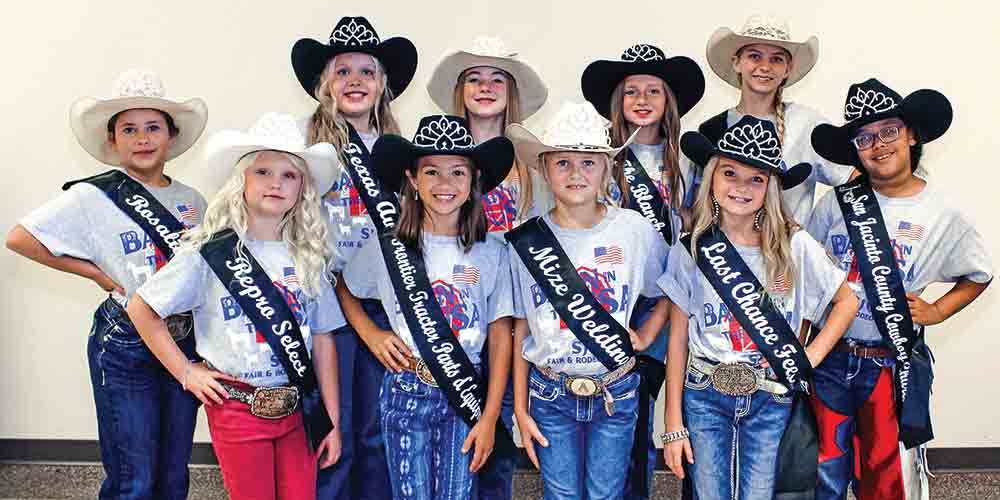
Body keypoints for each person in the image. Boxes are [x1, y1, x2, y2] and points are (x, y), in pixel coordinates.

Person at [6, 69, 208, 500]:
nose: (142, 138)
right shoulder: (92, 196)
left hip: (181, 339)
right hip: (125, 342)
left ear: (171, 136)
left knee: (174, 473)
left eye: (153, 127)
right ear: (112, 141)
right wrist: (96, 274)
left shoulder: (193, 200)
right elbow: (20, 238)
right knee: (133, 475)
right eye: (128, 130)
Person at [127, 112, 346, 499]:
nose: (276, 183)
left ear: (302, 190)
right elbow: (141, 309)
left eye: (289, 175)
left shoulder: (308, 256)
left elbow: (325, 338)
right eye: (263, 171)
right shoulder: (208, 252)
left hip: (300, 408)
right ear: (240, 181)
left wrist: (333, 419)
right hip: (237, 409)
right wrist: (186, 373)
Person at [807, 78, 993, 500]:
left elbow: (979, 273)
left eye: (889, 131)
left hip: (888, 366)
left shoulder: (941, 210)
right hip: (830, 359)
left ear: (911, 135)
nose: (879, 144)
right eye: (865, 137)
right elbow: (806, 275)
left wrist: (939, 310)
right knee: (822, 469)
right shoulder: (835, 203)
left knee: (886, 475)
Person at [660, 115, 859, 500]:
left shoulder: (793, 244)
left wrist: (808, 358)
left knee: (760, 493)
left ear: (770, 188)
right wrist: (672, 424)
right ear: (712, 178)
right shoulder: (691, 249)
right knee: (709, 493)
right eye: (730, 173)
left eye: (757, 178)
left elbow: (846, 301)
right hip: (704, 390)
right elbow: (678, 340)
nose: (741, 187)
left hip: (771, 392)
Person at [342, 114, 516, 499]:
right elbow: (343, 285)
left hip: (466, 389)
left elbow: (502, 335)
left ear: (473, 183)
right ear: (412, 180)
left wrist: (489, 416)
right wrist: (372, 334)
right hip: (406, 387)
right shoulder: (389, 246)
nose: (445, 184)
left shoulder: (493, 250)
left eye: (457, 172)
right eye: (432, 172)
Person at [506, 101, 670, 500]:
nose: (576, 173)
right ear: (544, 169)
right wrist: (521, 406)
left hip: (616, 392)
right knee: (560, 494)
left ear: (607, 169)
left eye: (588, 162)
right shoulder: (525, 241)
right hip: (549, 392)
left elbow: (671, 288)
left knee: (606, 494)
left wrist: (647, 334)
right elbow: (520, 327)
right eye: (562, 163)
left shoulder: (635, 230)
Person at [291, 16, 418, 499]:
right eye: (343, 71)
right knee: (333, 431)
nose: (355, 81)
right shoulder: (308, 150)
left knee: (378, 429)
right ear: (325, 85)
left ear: (384, 85)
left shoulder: (403, 154)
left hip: (387, 303)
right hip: (326, 305)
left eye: (367, 71)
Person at [426, 34, 549, 499]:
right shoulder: (435, 162)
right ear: (459, 90)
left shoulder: (531, 165)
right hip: (451, 310)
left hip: (512, 312)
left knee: (496, 426)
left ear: (511, 92)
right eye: (473, 78)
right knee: (444, 427)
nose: (485, 87)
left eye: (497, 78)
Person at [581, 43, 705, 499]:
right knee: (625, 419)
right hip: (616, 302)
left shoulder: (689, 160)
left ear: (669, 101)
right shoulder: (599, 157)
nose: (642, 99)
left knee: (682, 409)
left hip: (672, 301)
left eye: (654, 90)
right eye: (631, 90)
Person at [695, 14, 855, 225]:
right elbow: (698, 204)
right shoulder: (711, 130)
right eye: (754, 56)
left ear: (788, 69)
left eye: (777, 59)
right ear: (736, 62)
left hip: (787, 254)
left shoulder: (808, 124)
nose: (765, 66)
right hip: (725, 254)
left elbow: (854, 178)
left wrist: (825, 229)